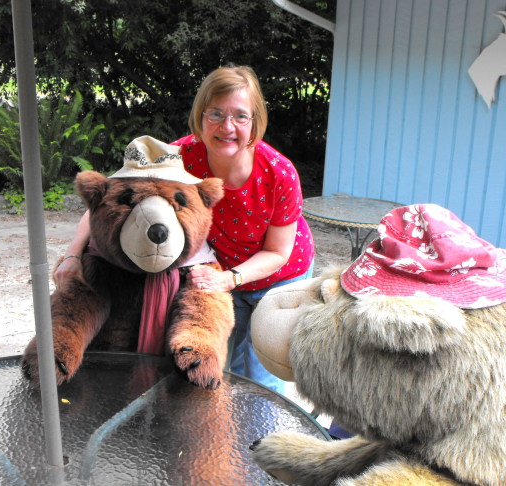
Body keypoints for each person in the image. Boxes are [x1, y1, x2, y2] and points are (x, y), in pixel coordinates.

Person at [54, 65, 315, 394]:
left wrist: (230, 278)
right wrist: (72, 256)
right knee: (215, 368)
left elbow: (278, 251)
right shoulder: (180, 156)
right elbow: (108, 200)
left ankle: (259, 444)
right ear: (200, 114)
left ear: (255, 121)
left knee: (261, 380)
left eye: (240, 116)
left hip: (277, 276)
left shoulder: (279, 173)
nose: (227, 127)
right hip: (214, 274)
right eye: (216, 113)